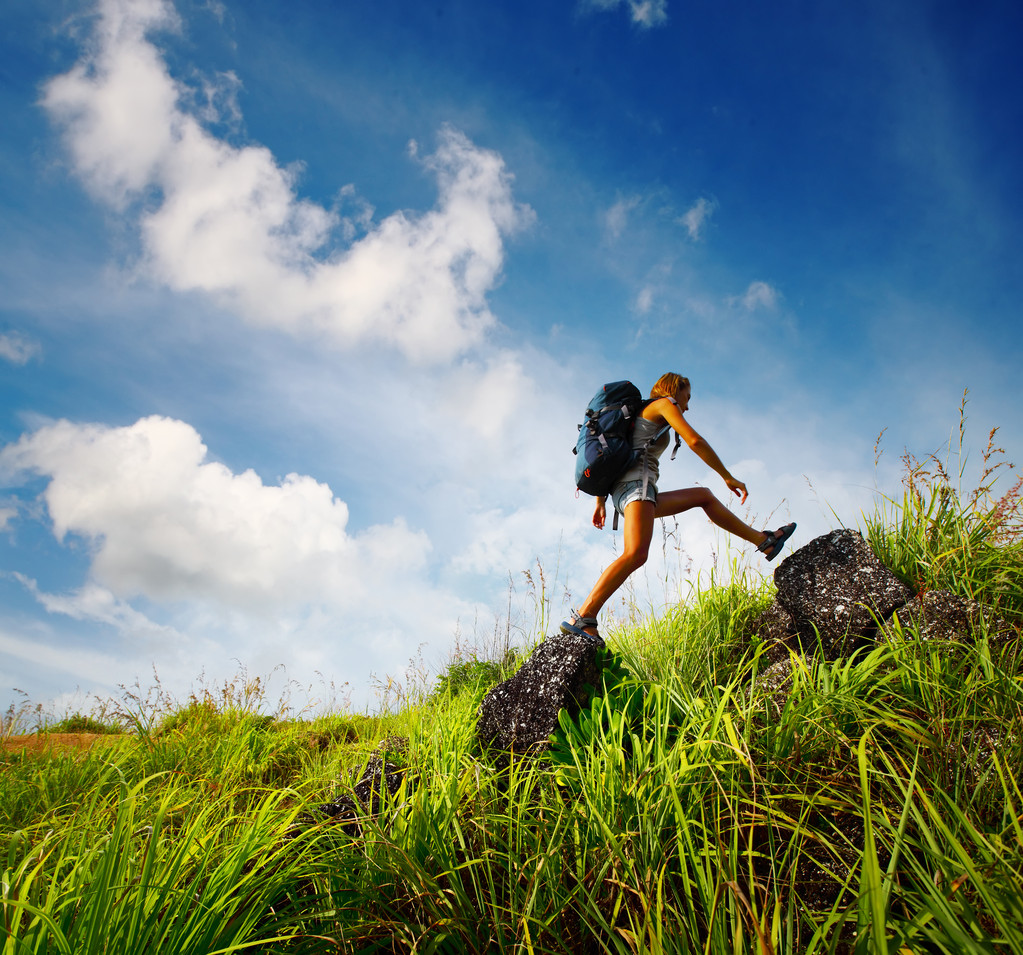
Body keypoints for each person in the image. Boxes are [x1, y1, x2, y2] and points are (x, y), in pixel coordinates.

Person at [562, 372, 796, 640]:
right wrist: (727, 476)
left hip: (631, 489)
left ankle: (764, 541)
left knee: (703, 496)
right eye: (688, 396)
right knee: (635, 554)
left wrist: (600, 502)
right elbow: (694, 440)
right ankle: (582, 616)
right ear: (676, 389)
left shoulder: (641, 412)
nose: (688, 404)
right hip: (636, 487)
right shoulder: (664, 404)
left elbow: (615, 452)